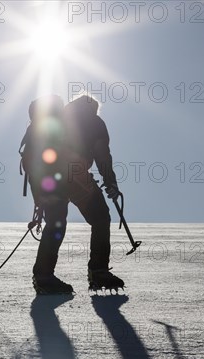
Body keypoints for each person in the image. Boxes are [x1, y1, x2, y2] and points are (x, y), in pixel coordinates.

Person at [20, 94, 124, 294]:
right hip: (73, 175)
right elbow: (102, 154)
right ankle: (98, 271)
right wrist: (110, 182)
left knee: (56, 222)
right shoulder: (94, 122)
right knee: (101, 218)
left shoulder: (59, 118)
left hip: (45, 176)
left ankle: (43, 276)